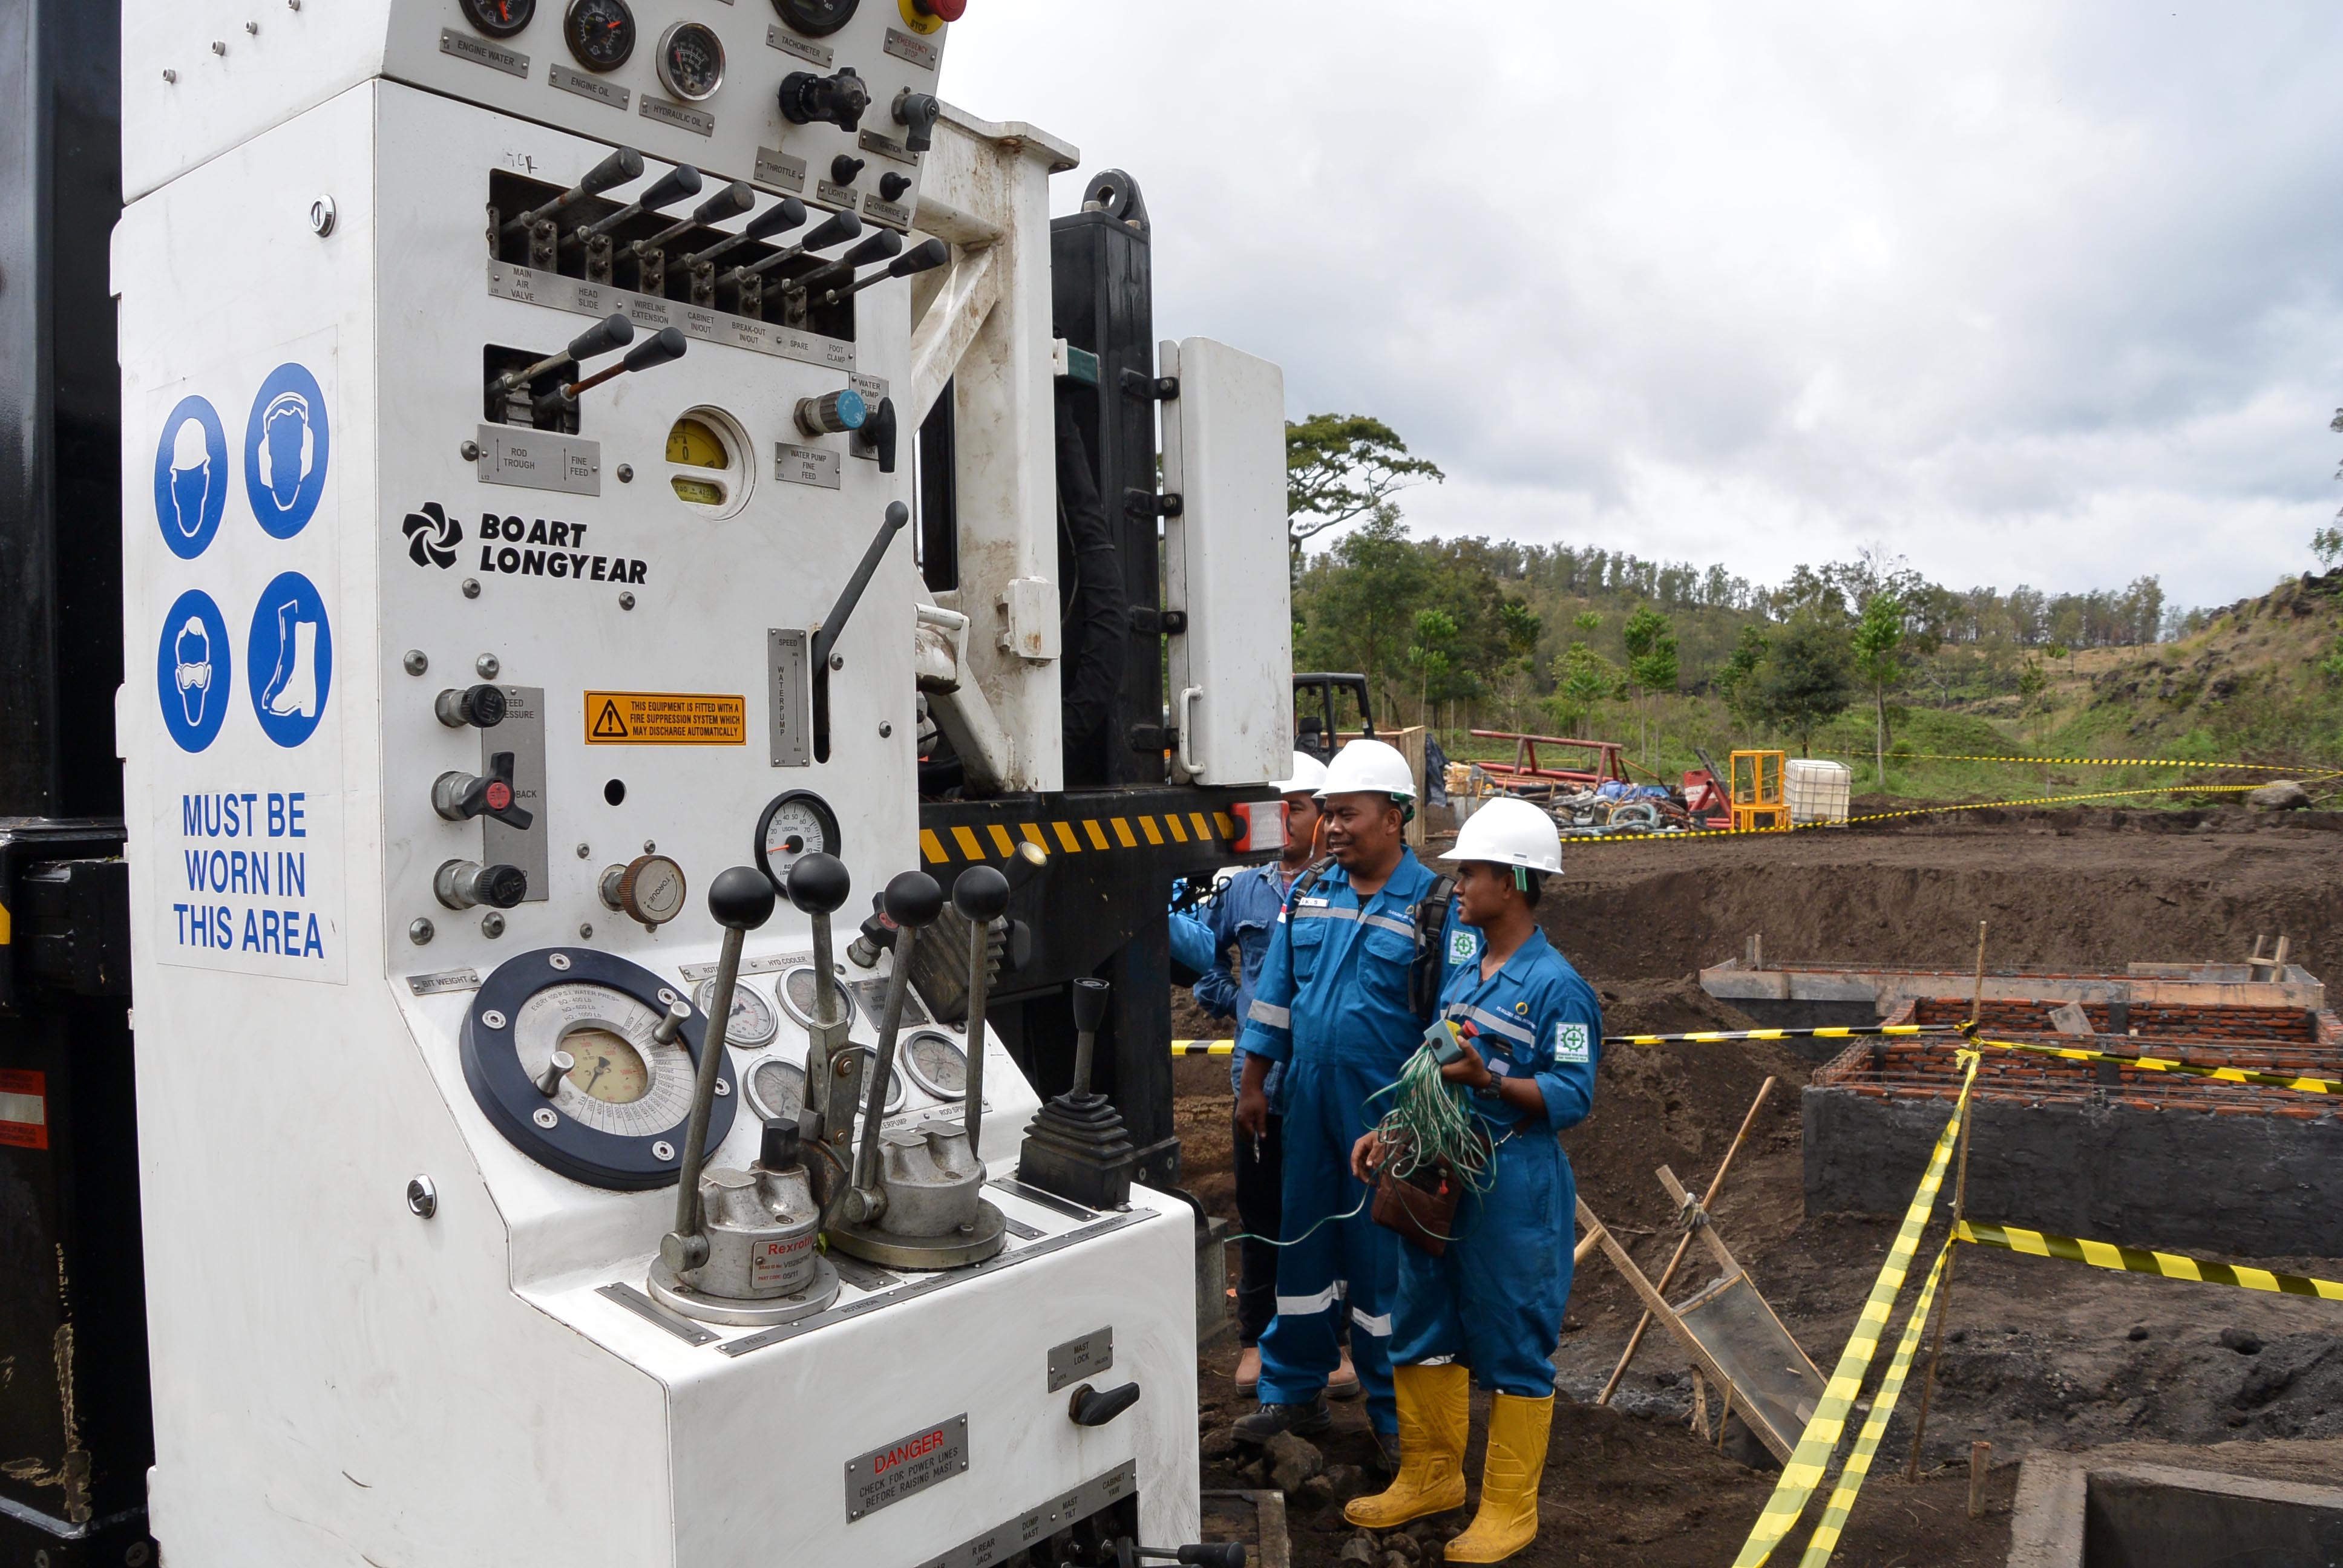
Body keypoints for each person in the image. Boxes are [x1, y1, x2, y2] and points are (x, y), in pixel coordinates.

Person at [1342, 797, 1599, 1564]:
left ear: (1512, 882)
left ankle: (1509, 1510)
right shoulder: (1462, 970)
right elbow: (1433, 1071)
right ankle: (1430, 1478)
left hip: (1513, 1182)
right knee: (1421, 1320)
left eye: (1470, 874)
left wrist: (1490, 1081)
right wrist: (1392, 1128)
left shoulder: (1558, 988)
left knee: (1513, 1337)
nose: (1455, 887)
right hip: (1439, 1167)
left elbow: (1572, 1095)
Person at [1229, 739, 1466, 1470]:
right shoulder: (1309, 895)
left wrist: (1421, 1112)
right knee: (1300, 1245)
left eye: (1346, 814)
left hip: (1387, 1114)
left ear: (1393, 817)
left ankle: (1394, 1414)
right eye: (1327, 814)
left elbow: (1449, 1023)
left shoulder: (1434, 908)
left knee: (1383, 1264)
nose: (1331, 828)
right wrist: (1253, 1082)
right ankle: (1292, 1389)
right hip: (1305, 1102)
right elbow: (1275, 996)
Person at [1190, 753, 1358, 1400]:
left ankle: (1333, 1342)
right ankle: (1255, 1341)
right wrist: (1240, 1008)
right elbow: (1205, 957)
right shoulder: (1243, 890)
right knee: (1260, 1216)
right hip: (1258, 1082)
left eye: (1296, 809)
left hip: (1323, 1080)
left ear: (1322, 817)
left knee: (1328, 1213)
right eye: (1274, 809)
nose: (1282, 821)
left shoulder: (1339, 890)